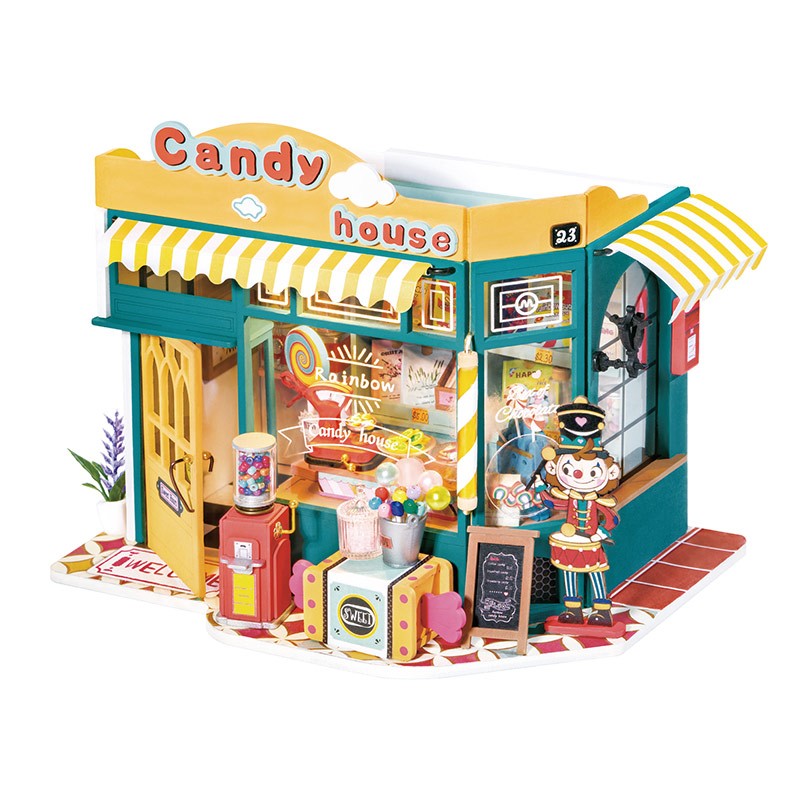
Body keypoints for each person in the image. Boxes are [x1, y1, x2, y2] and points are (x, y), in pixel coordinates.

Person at [534, 397, 621, 626]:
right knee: (568, 569)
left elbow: (611, 518)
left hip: (591, 540)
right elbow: (552, 504)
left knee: (596, 571)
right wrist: (541, 488)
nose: (580, 476)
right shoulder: (569, 498)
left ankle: (601, 609)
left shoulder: (597, 500)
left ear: (610, 473)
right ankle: (573, 609)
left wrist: (601, 531)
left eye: (593, 472)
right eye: (570, 470)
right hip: (570, 539)